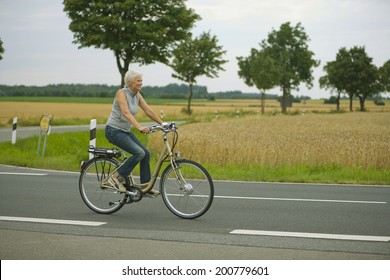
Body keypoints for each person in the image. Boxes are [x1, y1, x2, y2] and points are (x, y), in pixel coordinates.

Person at [105, 70, 164, 195]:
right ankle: (116, 177)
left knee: (146, 154)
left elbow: (148, 111)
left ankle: (145, 187)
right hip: (113, 130)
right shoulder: (121, 93)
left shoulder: (137, 95)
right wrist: (139, 127)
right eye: (138, 81)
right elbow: (126, 112)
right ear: (130, 82)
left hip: (124, 131)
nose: (141, 83)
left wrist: (163, 124)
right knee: (139, 153)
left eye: (141, 80)